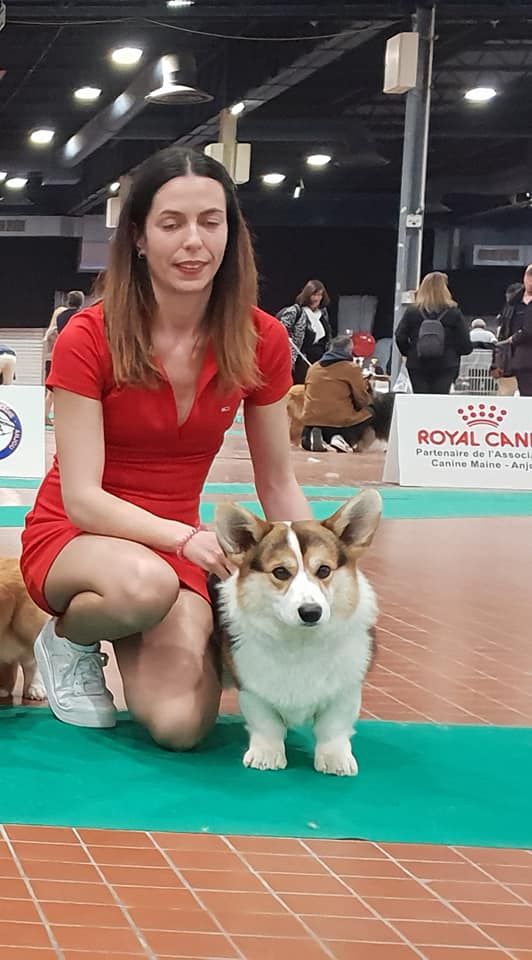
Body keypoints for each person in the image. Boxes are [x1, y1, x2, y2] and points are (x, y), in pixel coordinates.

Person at [21, 145, 311, 748]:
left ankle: (170, 631)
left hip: (174, 547)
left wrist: (315, 574)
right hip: (76, 536)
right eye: (172, 224)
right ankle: (70, 637)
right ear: (138, 237)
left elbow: (278, 482)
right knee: (143, 586)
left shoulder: (262, 338)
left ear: (231, 233)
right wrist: (183, 540)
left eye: (210, 222)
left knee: (182, 728)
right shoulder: (88, 336)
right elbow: (82, 498)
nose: (193, 242)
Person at [395, 271, 472, 394]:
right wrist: (454, 352)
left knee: (421, 398)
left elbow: (400, 336)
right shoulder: (453, 312)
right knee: (439, 399)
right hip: (446, 364)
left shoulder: (412, 312)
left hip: (417, 364)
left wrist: (410, 352)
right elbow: (465, 343)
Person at [301, 335, 374, 452]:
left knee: (318, 419)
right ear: (349, 351)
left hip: (311, 421)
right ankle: (344, 439)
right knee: (371, 413)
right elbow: (362, 399)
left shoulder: (314, 367)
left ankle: (311, 437)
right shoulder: (351, 368)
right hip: (339, 424)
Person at [277, 279, 332, 385]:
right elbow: (280, 330)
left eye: (320, 295)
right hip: (301, 360)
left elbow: (327, 337)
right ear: (307, 295)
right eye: (314, 295)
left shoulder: (323, 313)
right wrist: (288, 340)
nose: (317, 298)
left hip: (319, 360)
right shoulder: (296, 311)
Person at [496, 265, 532, 397]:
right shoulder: (513, 303)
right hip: (517, 360)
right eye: (529, 276)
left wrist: (513, 339)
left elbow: (528, 331)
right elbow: (504, 329)